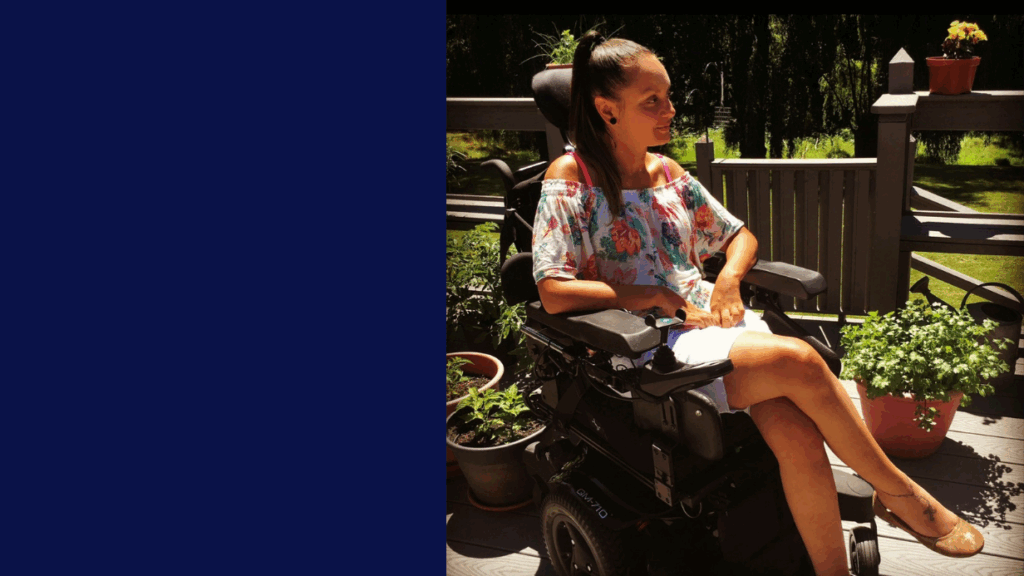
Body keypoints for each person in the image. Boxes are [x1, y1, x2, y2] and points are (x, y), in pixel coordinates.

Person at [531, 30, 984, 576]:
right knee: (798, 358)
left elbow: (739, 236)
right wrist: (651, 293)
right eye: (652, 101)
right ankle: (901, 494)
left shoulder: (668, 174)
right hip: (643, 350)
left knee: (796, 434)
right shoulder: (571, 179)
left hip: (710, 324)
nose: (670, 110)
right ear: (607, 110)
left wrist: (729, 280)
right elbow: (552, 291)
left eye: (669, 96)